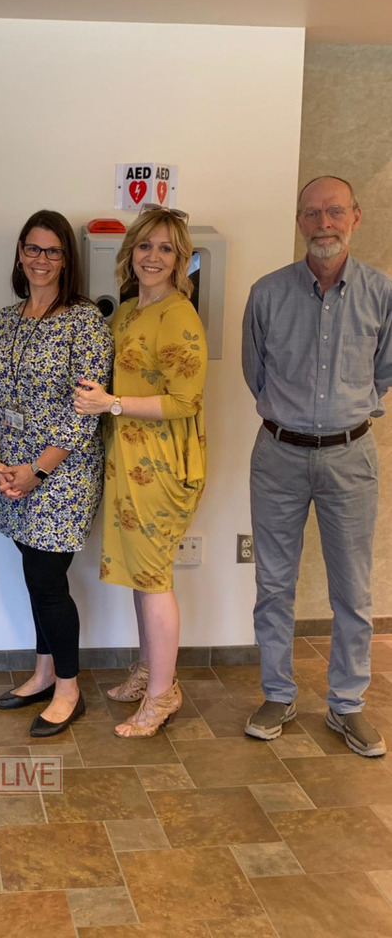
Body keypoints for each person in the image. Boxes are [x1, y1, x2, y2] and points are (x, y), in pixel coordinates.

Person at [242, 175, 389, 758]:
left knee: (352, 590)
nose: (323, 223)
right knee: (272, 584)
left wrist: (343, 415)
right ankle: (277, 694)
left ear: (356, 216)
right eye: (312, 213)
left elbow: (385, 369)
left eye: (334, 212)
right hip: (277, 453)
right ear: (299, 222)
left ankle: (347, 705)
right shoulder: (268, 293)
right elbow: (256, 373)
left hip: (351, 457)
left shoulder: (382, 292)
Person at [0, 210, 113, 737]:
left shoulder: (85, 322)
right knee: (34, 575)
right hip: (9, 471)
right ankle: (44, 672)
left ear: (67, 260)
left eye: (53, 251)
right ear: (19, 253)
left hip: (63, 475)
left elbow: (83, 410)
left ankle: (69, 689)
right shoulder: (5, 320)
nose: (41, 259)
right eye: (33, 248)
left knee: (48, 582)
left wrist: (35, 471)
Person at [74, 206, 207, 738]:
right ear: (131, 252)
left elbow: (185, 400)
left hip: (161, 463)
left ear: (181, 260)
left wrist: (112, 405)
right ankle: (151, 671)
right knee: (139, 572)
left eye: (167, 249)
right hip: (126, 459)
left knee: (153, 579)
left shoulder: (179, 315)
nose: (154, 257)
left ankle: (162, 696)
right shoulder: (128, 311)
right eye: (146, 246)